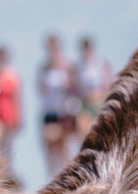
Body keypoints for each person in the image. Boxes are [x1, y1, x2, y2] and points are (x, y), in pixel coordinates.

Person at [37, 33, 77, 177]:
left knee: (64, 146)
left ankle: (67, 179)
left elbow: (73, 88)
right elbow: (40, 89)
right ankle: (51, 178)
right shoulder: (44, 68)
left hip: (64, 111)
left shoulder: (67, 67)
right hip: (49, 111)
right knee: (50, 147)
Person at [0, 45, 22, 183]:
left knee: (7, 147)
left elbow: (17, 97)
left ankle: (7, 176)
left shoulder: (12, 76)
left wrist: (18, 117)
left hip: (8, 115)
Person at [73, 36, 112, 140]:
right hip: (86, 102)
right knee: (83, 130)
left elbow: (108, 83)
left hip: (100, 101)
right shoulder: (78, 66)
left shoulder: (100, 63)